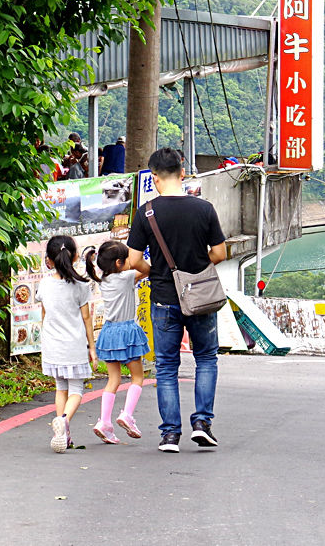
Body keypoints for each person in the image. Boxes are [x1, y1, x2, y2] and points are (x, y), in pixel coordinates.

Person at [125, 147, 226, 453]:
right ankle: (202, 424)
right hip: (200, 298)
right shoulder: (204, 208)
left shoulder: (147, 212)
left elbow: (132, 260)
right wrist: (196, 269)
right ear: (183, 173)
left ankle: (170, 435)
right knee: (206, 358)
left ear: (154, 177)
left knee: (167, 366)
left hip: (164, 299)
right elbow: (220, 253)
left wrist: (155, 270)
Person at [82, 239, 150, 443]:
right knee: (137, 377)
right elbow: (146, 270)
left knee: (113, 380)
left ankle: (104, 422)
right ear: (119, 263)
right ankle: (127, 414)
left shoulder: (104, 279)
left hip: (109, 332)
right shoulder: (127, 277)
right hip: (127, 332)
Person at [38, 235, 95, 453]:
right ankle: (63, 421)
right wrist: (92, 347)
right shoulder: (81, 286)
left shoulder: (44, 284)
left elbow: (44, 316)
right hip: (74, 344)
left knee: (61, 387)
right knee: (77, 389)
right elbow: (87, 318)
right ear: (75, 256)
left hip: (52, 344)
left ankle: (61, 433)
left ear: (49, 260)